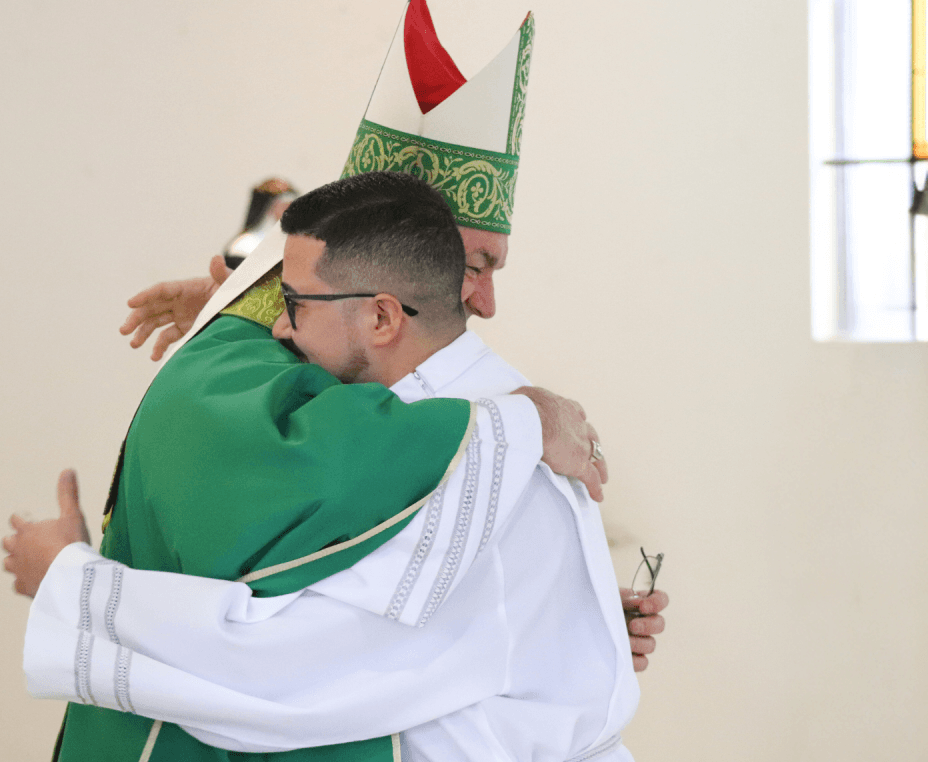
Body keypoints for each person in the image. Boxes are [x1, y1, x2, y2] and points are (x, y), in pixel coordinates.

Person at [16, 172, 651, 762]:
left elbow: (279, 673)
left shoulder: (476, 450)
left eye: (292, 303)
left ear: (381, 317)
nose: (281, 331)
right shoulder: (491, 412)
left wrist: (69, 585)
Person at [116, 0, 667, 665]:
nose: (485, 304)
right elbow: (320, 620)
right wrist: (526, 426)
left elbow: (443, 572)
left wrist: (572, 613)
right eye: (473, 265)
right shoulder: (275, 381)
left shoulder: (435, 378)